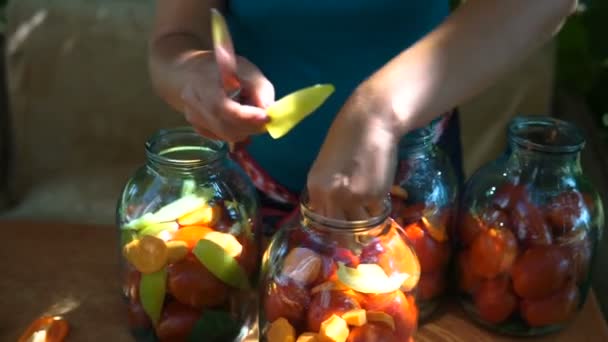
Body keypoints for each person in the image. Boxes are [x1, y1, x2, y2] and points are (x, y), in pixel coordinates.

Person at [148, 0, 577, 231]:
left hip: (414, 193)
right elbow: (174, 37)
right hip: (250, 192)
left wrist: (379, 111)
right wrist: (192, 72)